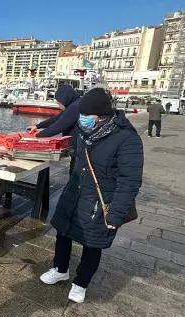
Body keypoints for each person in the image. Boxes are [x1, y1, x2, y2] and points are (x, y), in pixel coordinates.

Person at [39, 88, 143, 303]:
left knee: (93, 242)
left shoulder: (127, 139)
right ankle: (60, 268)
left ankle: (81, 282)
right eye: (81, 115)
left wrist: (116, 213)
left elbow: (129, 180)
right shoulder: (83, 133)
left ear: (102, 116)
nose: (82, 119)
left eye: (87, 116)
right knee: (63, 232)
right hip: (75, 191)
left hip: (100, 199)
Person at [27, 85, 81, 174]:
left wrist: (37, 136)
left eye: (59, 103)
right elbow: (56, 118)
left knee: (75, 172)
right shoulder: (73, 105)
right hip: (77, 146)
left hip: (78, 147)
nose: (58, 105)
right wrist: (38, 126)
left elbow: (58, 126)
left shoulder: (75, 107)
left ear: (65, 99)